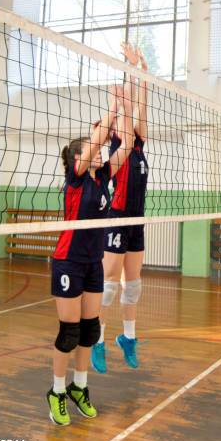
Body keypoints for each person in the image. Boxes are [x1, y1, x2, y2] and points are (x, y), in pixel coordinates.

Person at [47, 83, 134, 426]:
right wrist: (110, 110)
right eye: (90, 150)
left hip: (92, 263)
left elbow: (125, 145)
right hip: (68, 261)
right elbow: (98, 143)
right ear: (78, 160)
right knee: (68, 333)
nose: (98, 152)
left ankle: (79, 387)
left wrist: (124, 108)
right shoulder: (76, 179)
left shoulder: (102, 179)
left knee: (89, 332)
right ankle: (55, 391)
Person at [91, 43, 149, 374]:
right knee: (110, 284)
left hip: (136, 220)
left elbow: (142, 103)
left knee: (134, 284)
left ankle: (128, 338)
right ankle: (97, 339)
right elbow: (126, 113)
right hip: (116, 217)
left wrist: (142, 66)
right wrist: (127, 79)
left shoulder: (139, 142)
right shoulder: (118, 148)